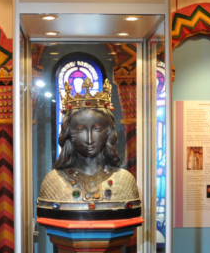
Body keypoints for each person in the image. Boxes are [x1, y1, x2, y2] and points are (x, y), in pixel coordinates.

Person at [37, 78, 140, 219]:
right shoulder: (54, 181)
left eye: (97, 129)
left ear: (108, 132)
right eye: (80, 130)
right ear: (69, 133)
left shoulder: (125, 180)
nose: (90, 139)